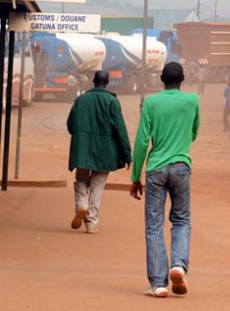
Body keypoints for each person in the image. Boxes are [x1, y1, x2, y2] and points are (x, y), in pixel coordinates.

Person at [130, 62, 200, 298]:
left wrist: (135, 176)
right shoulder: (193, 101)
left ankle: (158, 284)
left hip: (156, 168)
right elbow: (194, 132)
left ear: (161, 79)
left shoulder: (151, 103)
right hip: (182, 166)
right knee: (181, 219)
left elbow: (141, 142)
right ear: (183, 78)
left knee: (154, 224)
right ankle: (178, 266)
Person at [66, 70, 131, 234]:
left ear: (93, 81)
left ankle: (81, 204)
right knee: (98, 185)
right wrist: (127, 154)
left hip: (82, 148)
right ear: (107, 82)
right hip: (105, 150)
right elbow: (120, 130)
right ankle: (91, 222)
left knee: (81, 176)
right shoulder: (111, 101)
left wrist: (81, 136)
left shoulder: (81, 100)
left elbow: (70, 124)